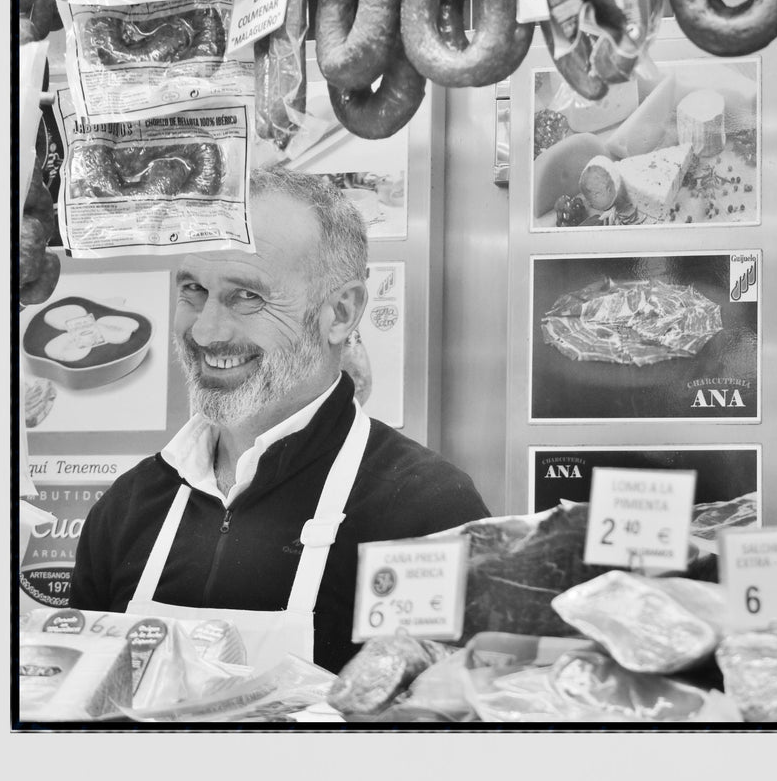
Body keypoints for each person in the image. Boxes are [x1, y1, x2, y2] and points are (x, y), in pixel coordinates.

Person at [71, 168, 490, 673]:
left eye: (247, 296)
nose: (206, 332)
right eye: (194, 290)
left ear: (340, 313)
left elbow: (449, 713)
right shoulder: (127, 509)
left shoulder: (428, 512)